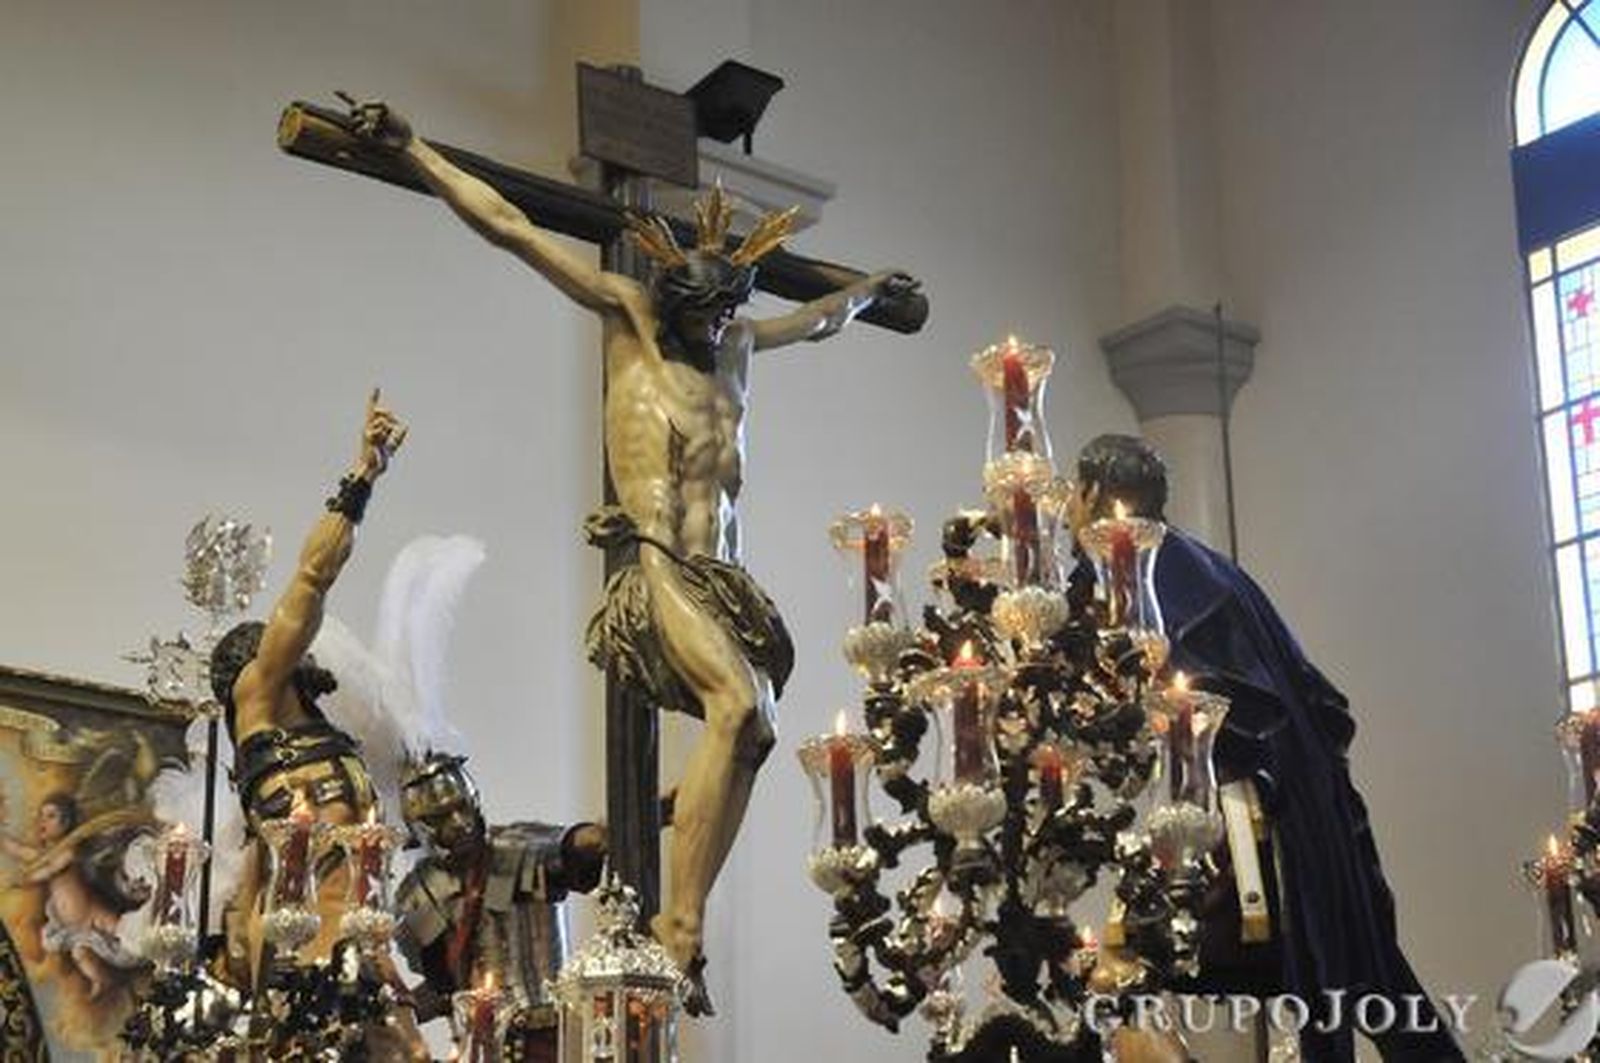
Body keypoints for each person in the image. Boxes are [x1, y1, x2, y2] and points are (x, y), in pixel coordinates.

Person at [343, 97, 918, 1010]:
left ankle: (687, 919)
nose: (714, 330)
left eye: (724, 314)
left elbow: (815, 320)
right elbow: (511, 228)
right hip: (653, 565)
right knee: (737, 704)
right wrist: (415, 149)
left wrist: (872, 290)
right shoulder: (628, 318)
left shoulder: (735, 349)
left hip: (724, 582)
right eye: (702, 315)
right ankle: (678, 928)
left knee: (758, 726)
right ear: (671, 302)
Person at [1066, 434, 1462, 1063]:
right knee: (1368, 977)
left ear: (1092, 493)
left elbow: (1153, 690)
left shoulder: (1135, 570)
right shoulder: (1209, 567)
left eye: (1072, 491)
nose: (1066, 507)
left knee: (1120, 969)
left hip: (1239, 811)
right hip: (1304, 802)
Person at [207, 389, 406, 980]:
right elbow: (314, 576)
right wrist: (363, 476)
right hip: (313, 956)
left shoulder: (297, 734)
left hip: (357, 946)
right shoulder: (257, 692)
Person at [395, 753, 606, 1061]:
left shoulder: (517, 847)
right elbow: (444, 987)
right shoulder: (419, 892)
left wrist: (621, 826)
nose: (460, 823)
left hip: (551, 1034)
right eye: (441, 817)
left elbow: (577, 845)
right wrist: (392, 1013)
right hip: (480, 1043)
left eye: (462, 807)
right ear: (419, 827)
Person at [0, 792, 149, 999]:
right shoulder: (47, 853)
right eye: (41, 815)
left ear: (67, 822)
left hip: (92, 913)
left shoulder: (68, 851)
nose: (42, 821)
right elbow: (22, 851)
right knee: (81, 954)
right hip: (72, 925)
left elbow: (50, 870)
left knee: (123, 933)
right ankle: (102, 980)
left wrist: (26, 879)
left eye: (51, 816)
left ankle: (149, 950)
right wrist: (4, 841)